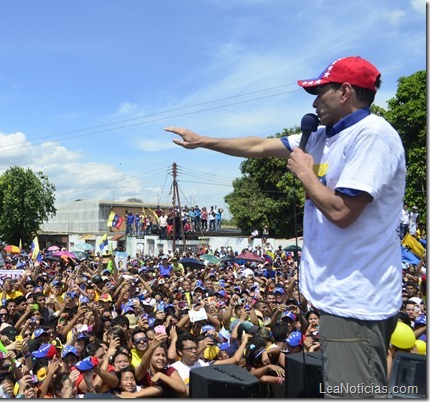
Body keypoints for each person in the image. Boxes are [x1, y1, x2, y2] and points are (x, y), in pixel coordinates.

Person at [165, 56, 406, 397]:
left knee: (354, 393)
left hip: (357, 301)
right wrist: (205, 141)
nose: (314, 101)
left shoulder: (373, 137)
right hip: (338, 296)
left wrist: (306, 174)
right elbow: (259, 146)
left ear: (346, 92)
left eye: (320, 91)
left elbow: (342, 212)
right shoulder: (320, 137)